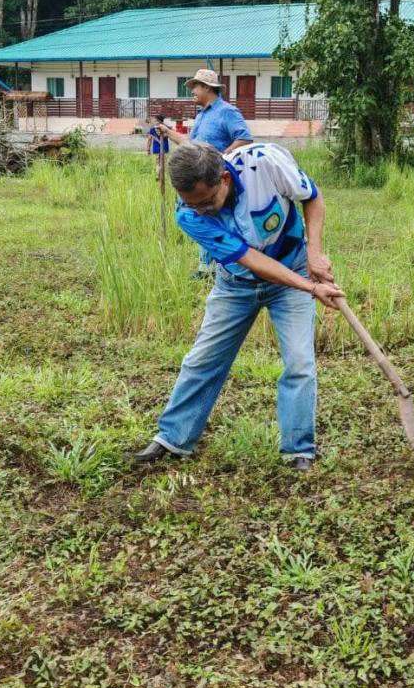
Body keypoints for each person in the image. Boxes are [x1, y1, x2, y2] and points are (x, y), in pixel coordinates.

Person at [125, 140, 343, 473]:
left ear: (224, 178)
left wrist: (314, 252)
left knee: (300, 361)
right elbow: (250, 259)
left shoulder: (266, 164)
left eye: (207, 201)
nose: (201, 210)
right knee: (202, 360)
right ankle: (173, 439)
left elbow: (312, 196)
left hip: (294, 265)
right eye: (192, 203)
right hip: (236, 284)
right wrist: (312, 288)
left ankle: (299, 450)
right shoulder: (188, 214)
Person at [157, 69, 252, 153]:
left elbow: (245, 140)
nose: (192, 92)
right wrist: (167, 132)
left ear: (206, 87)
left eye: (195, 87)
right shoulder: (201, 114)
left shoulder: (227, 111)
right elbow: (190, 144)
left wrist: (222, 158)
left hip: (216, 168)